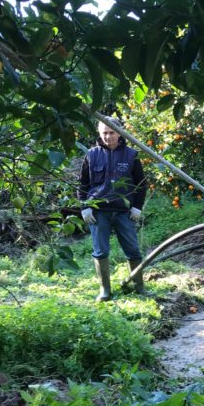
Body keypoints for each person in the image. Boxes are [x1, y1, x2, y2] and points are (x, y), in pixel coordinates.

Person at [78, 121, 147, 300]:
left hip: (124, 212)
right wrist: (85, 207)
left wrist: (137, 207)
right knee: (100, 251)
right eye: (104, 132)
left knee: (133, 250)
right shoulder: (91, 155)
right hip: (99, 212)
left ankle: (138, 287)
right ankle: (105, 291)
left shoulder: (132, 155)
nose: (107, 136)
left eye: (111, 132)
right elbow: (83, 184)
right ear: (99, 133)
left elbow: (141, 184)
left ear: (119, 133)